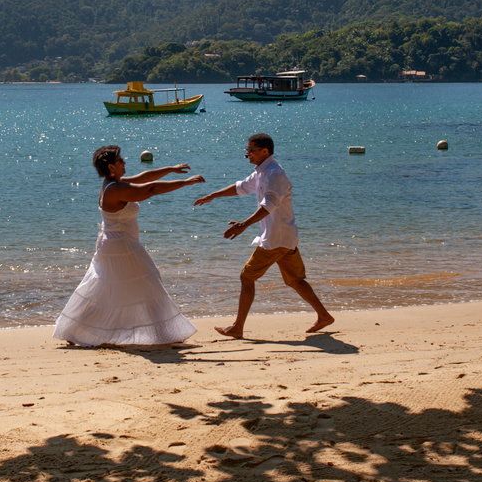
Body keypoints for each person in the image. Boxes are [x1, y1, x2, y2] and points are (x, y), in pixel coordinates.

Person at [53, 145, 205, 347]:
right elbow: (150, 189)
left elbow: (145, 177)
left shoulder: (114, 183)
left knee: (103, 288)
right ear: (111, 167)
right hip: (121, 246)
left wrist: (171, 169)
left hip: (115, 243)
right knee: (149, 282)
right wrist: (185, 183)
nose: (125, 162)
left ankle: (74, 330)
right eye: (120, 160)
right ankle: (165, 332)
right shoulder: (116, 189)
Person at [193, 133, 334, 339]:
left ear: (264, 151)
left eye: (250, 150)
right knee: (295, 280)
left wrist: (244, 224)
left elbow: (269, 205)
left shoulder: (274, 174)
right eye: (247, 149)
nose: (247, 153)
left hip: (275, 239)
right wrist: (213, 195)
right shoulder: (262, 171)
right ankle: (324, 316)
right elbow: (240, 187)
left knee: (246, 277)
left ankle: (237, 327)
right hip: (284, 237)